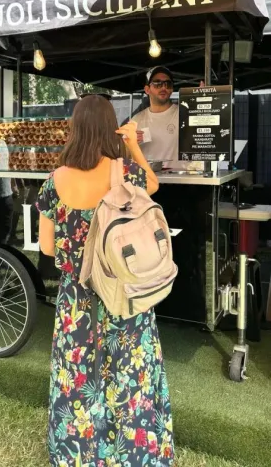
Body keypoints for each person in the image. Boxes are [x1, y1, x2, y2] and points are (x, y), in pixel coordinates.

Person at [38, 95, 174, 467]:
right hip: (123, 293)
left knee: (78, 378)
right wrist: (131, 143)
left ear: (75, 129)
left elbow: (48, 248)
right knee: (131, 374)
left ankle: (78, 454)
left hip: (76, 304)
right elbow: (154, 184)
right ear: (109, 127)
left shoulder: (53, 181)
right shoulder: (125, 172)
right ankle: (135, 452)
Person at [131, 66, 180, 167]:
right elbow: (124, 157)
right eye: (157, 84)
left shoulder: (185, 114)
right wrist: (129, 144)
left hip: (180, 179)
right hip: (146, 180)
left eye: (168, 84)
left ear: (172, 89)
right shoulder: (136, 120)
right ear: (147, 89)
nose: (163, 87)